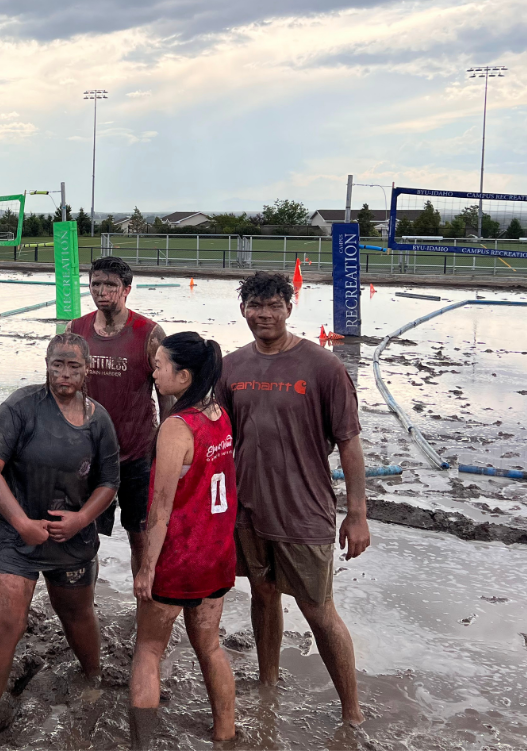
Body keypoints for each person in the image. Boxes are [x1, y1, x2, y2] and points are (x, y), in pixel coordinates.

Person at [218, 270, 369, 725]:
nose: (263, 314)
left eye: (273, 306)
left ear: (290, 307)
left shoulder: (323, 367)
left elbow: (350, 442)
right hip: (248, 507)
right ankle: (268, 687)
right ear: (243, 310)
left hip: (303, 510)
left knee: (319, 610)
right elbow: (220, 438)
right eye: (255, 306)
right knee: (262, 595)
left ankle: (352, 712)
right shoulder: (231, 367)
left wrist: (358, 513)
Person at [0, 332, 119, 742]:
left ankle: (93, 677)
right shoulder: (21, 406)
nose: (64, 374)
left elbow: (109, 482)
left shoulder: (98, 419)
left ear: (88, 370)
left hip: (71, 538)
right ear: (46, 365)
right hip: (15, 536)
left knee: (76, 615)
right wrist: (20, 523)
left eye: (73, 366)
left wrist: (81, 518)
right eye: (57, 365)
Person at [130, 332, 236, 746]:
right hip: (216, 555)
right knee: (209, 647)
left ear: (184, 375)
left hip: (178, 559)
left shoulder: (176, 428)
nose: (153, 373)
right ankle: (225, 735)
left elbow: (159, 509)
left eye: (159, 366)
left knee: (148, 650)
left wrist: (147, 568)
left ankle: (143, 744)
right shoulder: (219, 416)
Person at [66, 255, 169, 579]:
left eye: (110, 284)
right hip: (89, 454)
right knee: (85, 535)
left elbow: (166, 396)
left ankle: (145, 603)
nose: (102, 291)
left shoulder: (149, 334)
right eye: (96, 283)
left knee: (140, 537)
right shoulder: (77, 330)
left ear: (126, 289)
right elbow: (63, 390)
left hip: (137, 454)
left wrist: (167, 448)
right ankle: (87, 603)